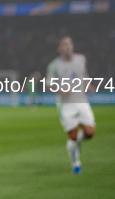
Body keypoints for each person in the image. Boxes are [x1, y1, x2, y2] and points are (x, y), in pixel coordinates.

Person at [45, 36, 96, 174]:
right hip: (66, 105)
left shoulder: (81, 59)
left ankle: (75, 143)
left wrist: (88, 85)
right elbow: (48, 85)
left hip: (82, 101)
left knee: (90, 133)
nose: (68, 47)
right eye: (65, 45)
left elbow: (83, 74)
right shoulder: (54, 65)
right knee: (72, 136)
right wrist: (61, 90)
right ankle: (76, 164)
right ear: (59, 49)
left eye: (70, 44)